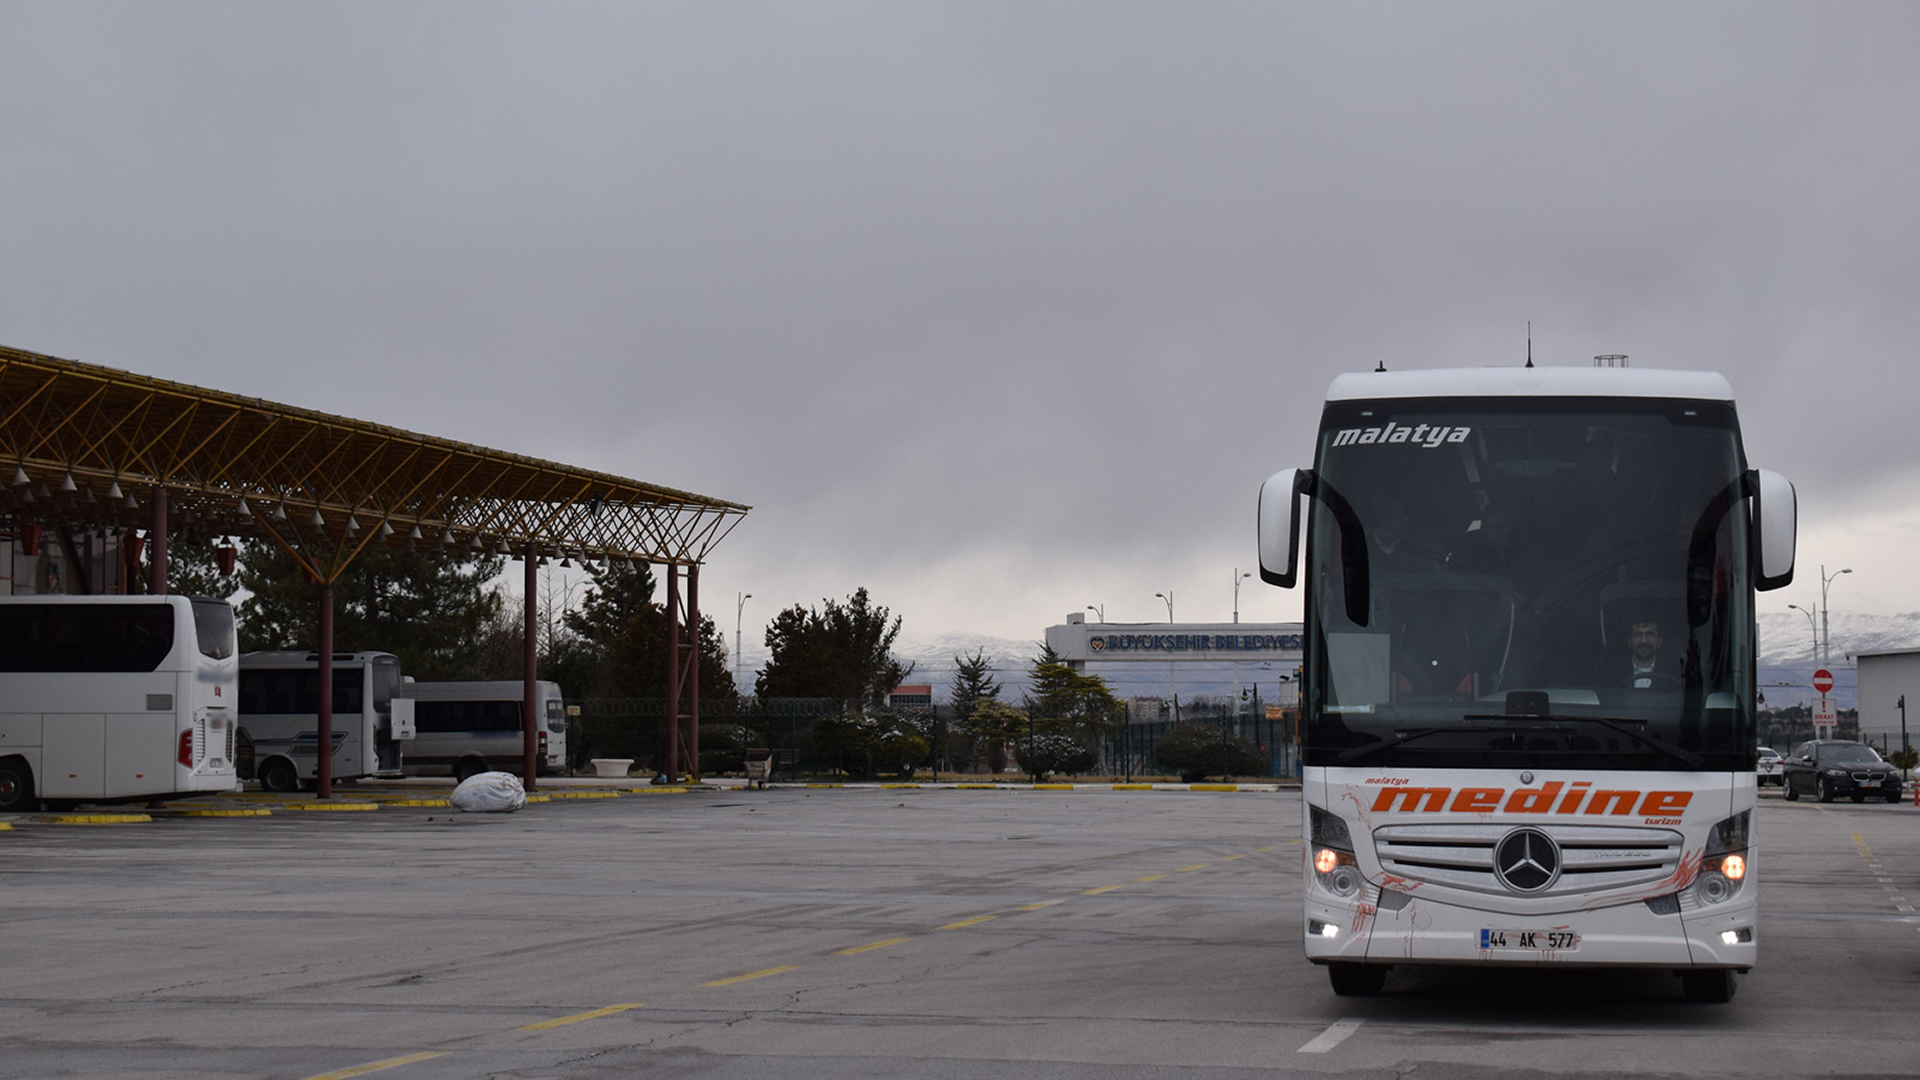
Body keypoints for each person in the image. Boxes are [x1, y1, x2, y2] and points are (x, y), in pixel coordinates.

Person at [1624, 619, 1679, 689]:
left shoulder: (1673, 673)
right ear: (1629, 641)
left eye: (1650, 635)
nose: (1644, 641)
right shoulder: (1615, 674)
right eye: (1638, 635)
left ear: (1659, 641)